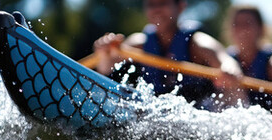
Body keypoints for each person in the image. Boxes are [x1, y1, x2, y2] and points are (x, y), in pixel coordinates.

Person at [93, 0, 246, 110]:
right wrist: (105, 53)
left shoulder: (196, 42)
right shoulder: (139, 42)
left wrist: (229, 70)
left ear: (180, 7)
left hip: (197, 114)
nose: (156, 10)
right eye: (151, 5)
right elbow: (105, 69)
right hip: (154, 113)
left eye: (163, 3)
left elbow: (226, 60)